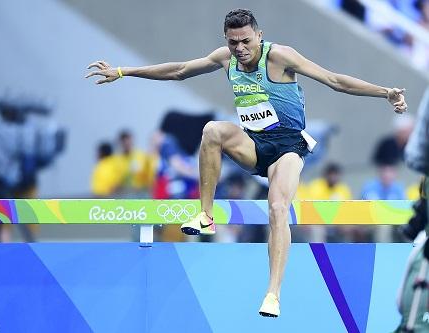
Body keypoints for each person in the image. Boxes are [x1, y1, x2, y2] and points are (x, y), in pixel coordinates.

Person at [85, 8, 407, 317]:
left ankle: (272, 294)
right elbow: (179, 70)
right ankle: (206, 216)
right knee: (212, 130)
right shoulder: (226, 59)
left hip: (288, 147)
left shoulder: (280, 56)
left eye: (246, 41)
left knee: (278, 208)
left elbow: (335, 80)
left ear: (259, 36)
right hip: (254, 144)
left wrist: (385, 93)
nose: (239, 49)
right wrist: (124, 71)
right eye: (233, 42)